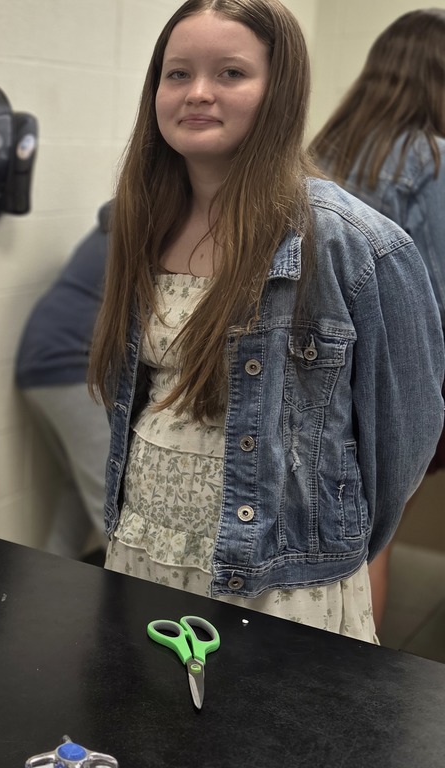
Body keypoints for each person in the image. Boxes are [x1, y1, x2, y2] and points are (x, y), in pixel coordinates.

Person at [87, 0, 444, 641]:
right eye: (177, 74)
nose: (198, 93)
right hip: (143, 543)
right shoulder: (137, 218)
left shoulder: (347, 242)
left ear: (278, 91)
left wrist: (329, 544)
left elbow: (405, 433)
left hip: (276, 575)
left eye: (230, 73)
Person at [309, 8, 445, 629]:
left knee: (344, 522)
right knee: (377, 528)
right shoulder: (434, 160)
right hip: (398, 368)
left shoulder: (319, 151)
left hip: (315, 363)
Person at [15, 202, 112, 559]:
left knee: (82, 484)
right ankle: (145, 605)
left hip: (48, 359)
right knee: (112, 505)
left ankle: (49, 597)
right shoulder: (147, 222)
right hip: (67, 363)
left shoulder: (133, 215)